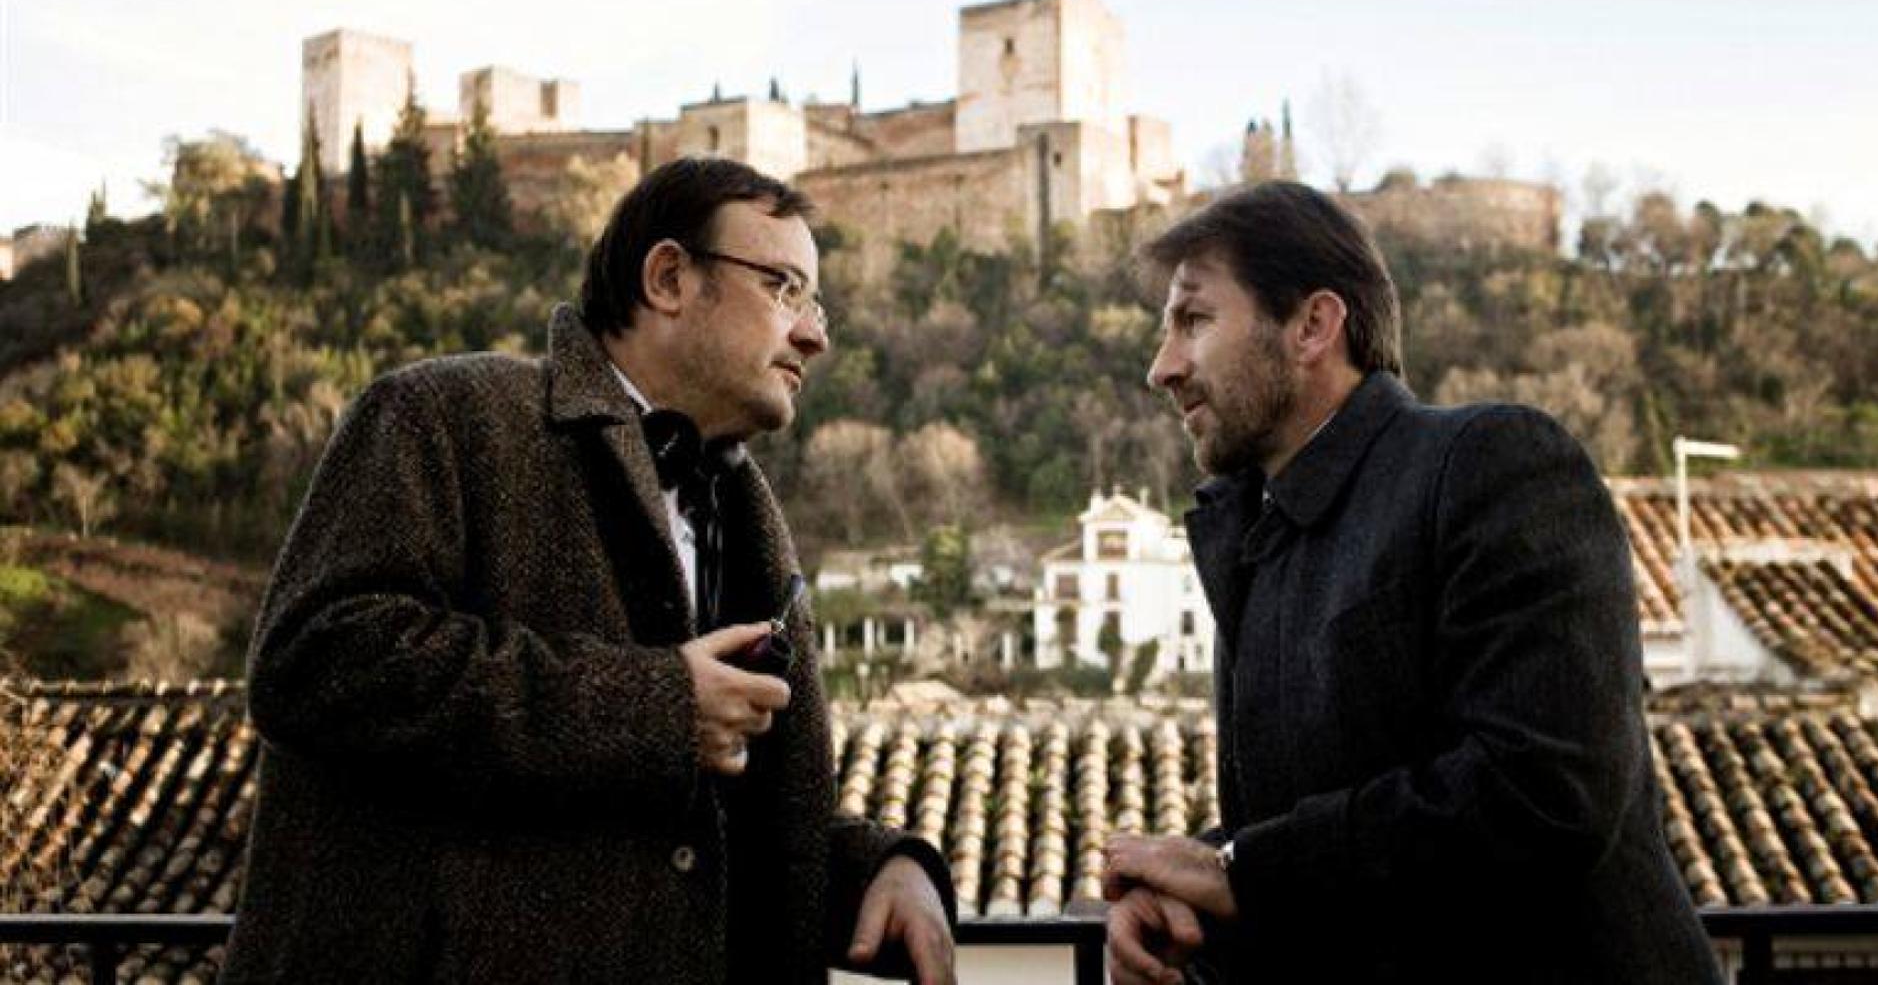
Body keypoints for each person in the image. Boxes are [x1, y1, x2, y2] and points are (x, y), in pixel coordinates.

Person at [223, 157, 957, 984]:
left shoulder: (750, 517)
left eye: (815, 303)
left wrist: (879, 868)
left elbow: (724, 819)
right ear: (670, 277)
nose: (816, 334)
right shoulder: (443, 416)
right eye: (785, 288)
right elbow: (314, 662)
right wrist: (653, 707)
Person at [1101, 182, 1718, 983]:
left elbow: (1544, 791)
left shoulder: (1493, 463)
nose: (1163, 368)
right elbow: (1333, 855)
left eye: (1194, 320)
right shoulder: (1258, 541)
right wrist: (1187, 924)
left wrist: (1240, 872)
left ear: (1313, 326)